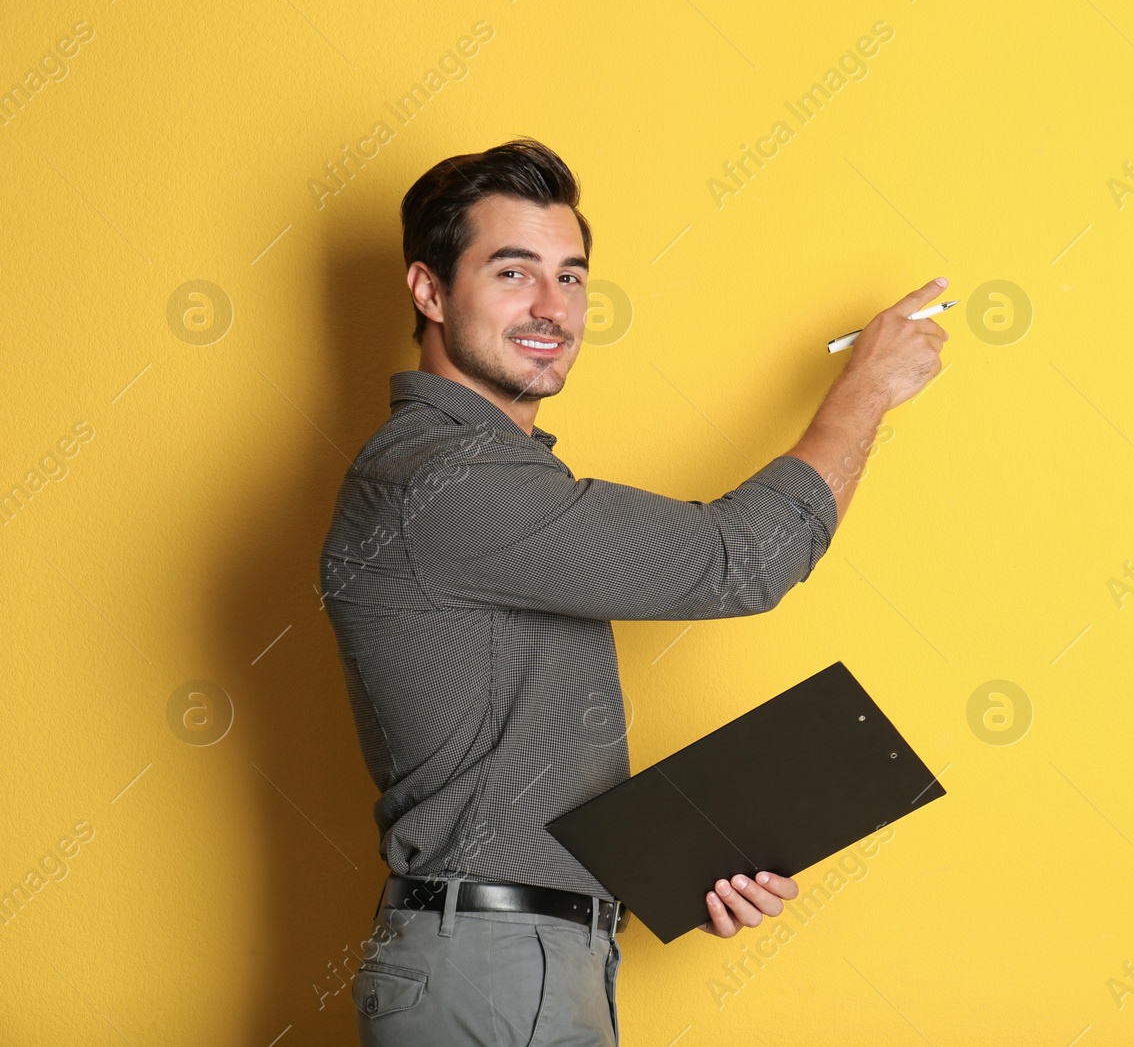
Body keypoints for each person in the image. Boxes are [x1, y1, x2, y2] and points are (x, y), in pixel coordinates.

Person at [318, 136, 948, 1045]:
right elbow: (740, 559)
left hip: (536, 957)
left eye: (571, 277)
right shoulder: (441, 481)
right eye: (512, 271)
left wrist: (686, 861)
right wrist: (867, 389)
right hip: (495, 969)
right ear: (428, 290)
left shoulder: (487, 481)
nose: (552, 307)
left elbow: (505, 762)